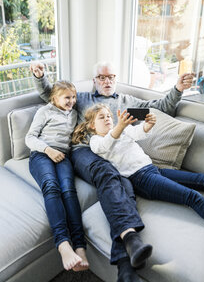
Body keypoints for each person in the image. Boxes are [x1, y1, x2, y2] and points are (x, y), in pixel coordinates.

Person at [30, 61, 194, 282]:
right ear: (95, 80)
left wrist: (177, 90)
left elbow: (160, 106)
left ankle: (125, 269)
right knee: (107, 175)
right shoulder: (83, 100)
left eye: (111, 77)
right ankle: (128, 245)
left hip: (119, 157)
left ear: (116, 79)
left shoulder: (127, 102)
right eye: (102, 77)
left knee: (124, 189)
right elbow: (53, 94)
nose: (107, 81)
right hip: (86, 151)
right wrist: (40, 77)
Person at [74, 103, 204, 228]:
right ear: (92, 125)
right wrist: (119, 126)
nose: (107, 119)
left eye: (109, 116)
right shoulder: (96, 140)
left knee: (203, 179)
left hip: (154, 169)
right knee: (193, 197)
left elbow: (138, 132)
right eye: (102, 117)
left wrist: (148, 125)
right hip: (142, 180)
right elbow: (106, 145)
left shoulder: (123, 130)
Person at [25, 80, 89, 272]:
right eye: (67, 97)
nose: (71, 101)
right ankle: (63, 244)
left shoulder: (75, 114)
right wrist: (48, 150)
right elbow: (30, 138)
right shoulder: (45, 111)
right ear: (54, 98)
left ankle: (79, 246)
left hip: (63, 156)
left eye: (73, 97)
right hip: (42, 154)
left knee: (69, 191)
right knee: (52, 187)